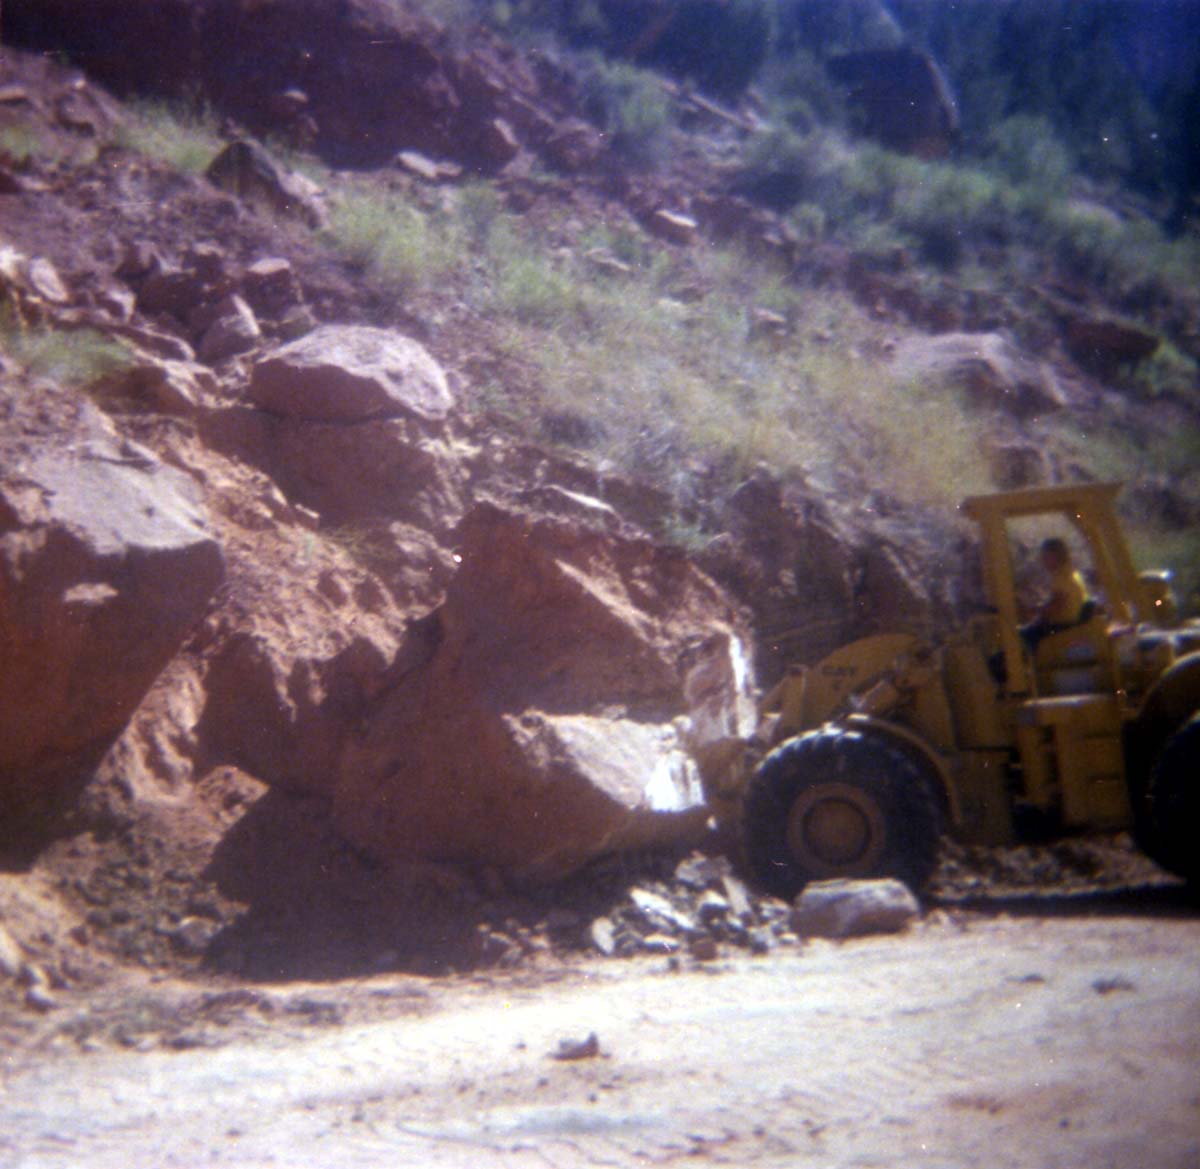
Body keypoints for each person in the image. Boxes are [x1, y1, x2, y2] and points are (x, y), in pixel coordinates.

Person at [1020, 537, 1090, 654]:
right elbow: (1055, 601)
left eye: (1046, 557)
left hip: (1063, 625)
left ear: (1057, 556)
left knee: (1023, 636)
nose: (1042, 560)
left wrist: (1033, 610)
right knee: (1028, 630)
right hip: (1066, 622)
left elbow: (1056, 605)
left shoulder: (1062, 578)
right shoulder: (1069, 573)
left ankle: (1026, 667)